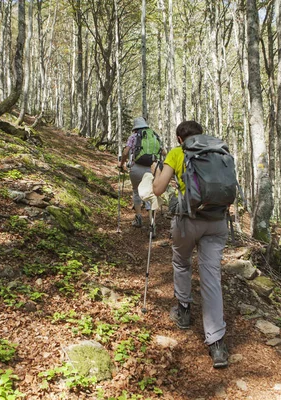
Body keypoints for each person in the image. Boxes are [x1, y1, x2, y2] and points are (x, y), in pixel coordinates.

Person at [151, 120, 229, 369]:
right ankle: (216, 344)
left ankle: (184, 310)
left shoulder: (177, 153)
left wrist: (157, 171)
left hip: (188, 221)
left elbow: (158, 189)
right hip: (217, 221)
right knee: (211, 277)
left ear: (179, 139)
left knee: (181, 262)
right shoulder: (218, 151)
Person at [118, 117, 163, 228]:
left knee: (137, 191)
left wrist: (122, 164)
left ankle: (138, 218)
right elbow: (163, 151)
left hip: (137, 167)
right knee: (150, 193)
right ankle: (152, 222)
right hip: (152, 168)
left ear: (135, 127)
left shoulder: (133, 136)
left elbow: (125, 152)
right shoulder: (154, 135)